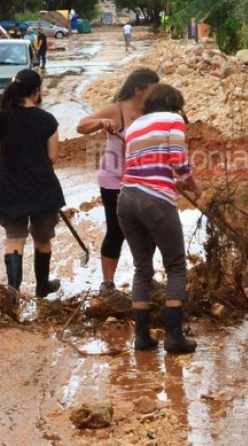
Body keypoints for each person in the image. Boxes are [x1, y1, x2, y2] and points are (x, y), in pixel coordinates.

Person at [117, 84, 202, 354]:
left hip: (127, 199)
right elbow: (178, 162)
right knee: (176, 266)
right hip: (155, 201)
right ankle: (174, 338)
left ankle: (142, 337)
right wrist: (192, 185)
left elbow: (141, 165)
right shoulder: (173, 120)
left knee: (143, 268)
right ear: (174, 104)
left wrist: (167, 180)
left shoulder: (134, 126)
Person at [0, 69, 65, 300]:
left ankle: (13, 294)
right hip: (42, 189)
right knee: (42, 239)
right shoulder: (47, 120)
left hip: (10, 188)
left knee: (14, 239)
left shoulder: (3, 116)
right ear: (36, 92)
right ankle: (42, 287)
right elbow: (52, 157)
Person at [76, 68, 161, 296]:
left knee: (149, 231)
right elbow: (82, 125)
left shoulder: (152, 111)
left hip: (143, 180)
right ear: (137, 90)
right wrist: (101, 122)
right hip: (115, 181)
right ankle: (107, 284)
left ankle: (145, 278)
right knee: (117, 231)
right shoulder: (117, 110)